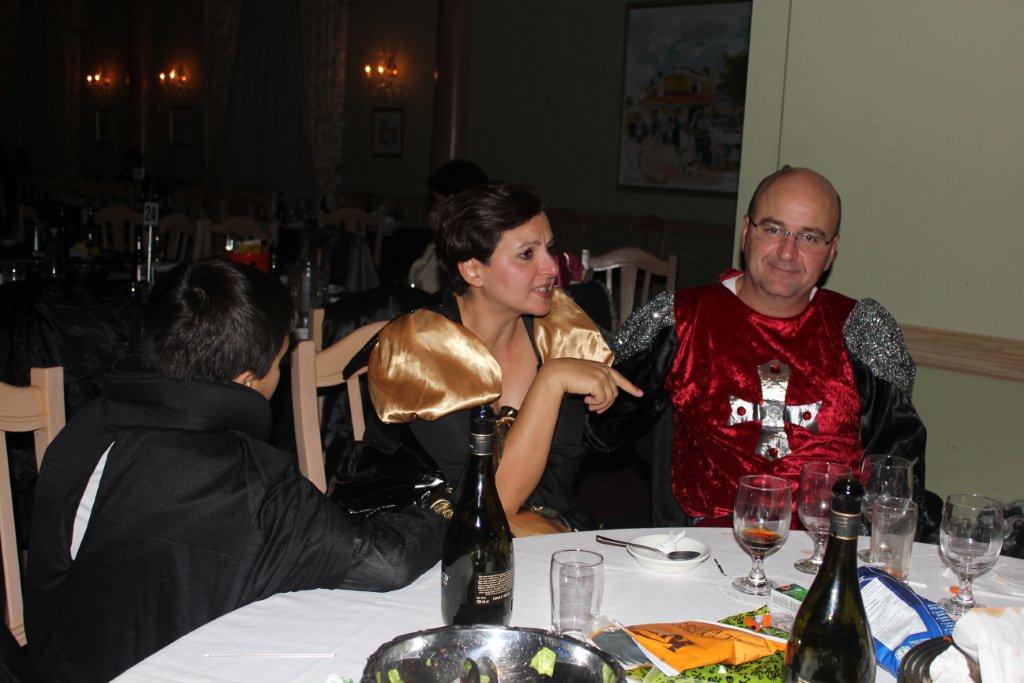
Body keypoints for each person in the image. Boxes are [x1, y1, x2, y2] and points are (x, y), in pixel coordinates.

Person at [25, 260, 448, 682]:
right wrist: (446, 505)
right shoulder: (242, 477)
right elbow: (388, 561)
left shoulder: (86, 426)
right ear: (247, 381)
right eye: (279, 363)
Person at [598, 167, 935, 532]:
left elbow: (896, 472)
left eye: (809, 237)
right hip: (715, 544)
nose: (787, 252)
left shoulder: (861, 329)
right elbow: (601, 428)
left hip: (831, 546)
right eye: (773, 230)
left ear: (831, 252)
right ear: (746, 232)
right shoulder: (680, 320)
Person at [360, 181, 641, 536]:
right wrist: (550, 380)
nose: (551, 267)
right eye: (527, 254)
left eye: (549, 248)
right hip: (419, 529)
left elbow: (557, 485)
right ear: (473, 270)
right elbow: (490, 502)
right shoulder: (419, 349)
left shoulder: (560, 329)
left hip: (525, 522)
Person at [407, 159, 489, 292]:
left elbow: (423, 284)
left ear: (450, 201)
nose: (434, 207)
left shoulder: (461, 243)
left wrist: (439, 237)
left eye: (436, 200)